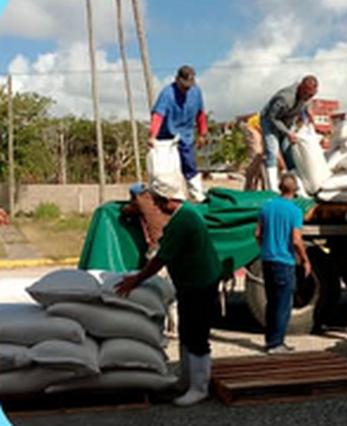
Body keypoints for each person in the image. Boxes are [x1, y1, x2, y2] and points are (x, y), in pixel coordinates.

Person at [116, 179, 222, 406]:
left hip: (200, 283)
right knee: (187, 331)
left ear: (169, 201)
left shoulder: (184, 221)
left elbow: (160, 259)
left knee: (197, 334)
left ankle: (199, 387)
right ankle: (186, 380)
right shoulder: (184, 216)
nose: (155, 205)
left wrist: (136, 280)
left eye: (158, 201)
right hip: (190, 283)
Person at [255, 173, 311, 354]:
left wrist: (266, 247)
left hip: (267, 259)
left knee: (272, 302)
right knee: (283, 303)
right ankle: (276, 343)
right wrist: (304, 259)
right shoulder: (294, 211)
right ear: (294, 190)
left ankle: (271, 340)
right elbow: (296, 239)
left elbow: (257, 234)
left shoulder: (267, 207)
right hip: (284, 261)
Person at [149, 65, 208, 202]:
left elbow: (200, 114)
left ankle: (197, 195)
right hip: (166, 136)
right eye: (184, 85)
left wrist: (202, 133)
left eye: (189, 86)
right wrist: (152, 136)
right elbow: (158, 115)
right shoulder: (167, 94)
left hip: (185, 134)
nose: (186, 89)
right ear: (177, 79)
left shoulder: (196, 92)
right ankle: (163, 198)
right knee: (164, 170)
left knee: (189, 165)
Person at [260, 75, 319, 191]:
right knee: (272, 151)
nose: (309, 98)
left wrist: (308, 118)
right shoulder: (285, 98)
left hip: (287, 122)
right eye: (308, 95)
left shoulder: (306, 98)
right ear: (301, 88)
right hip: (270, 121)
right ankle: (272, 189)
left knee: (289, 152)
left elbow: (303, 109)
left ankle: (297, 187)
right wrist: (287, 133)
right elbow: (273, 118)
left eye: (312, 95)